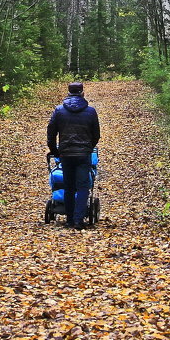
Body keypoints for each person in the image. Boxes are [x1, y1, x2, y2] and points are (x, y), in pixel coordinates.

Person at [46, 81, 100, 230]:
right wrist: (89, 147)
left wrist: (55, 150)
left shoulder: (59, 111)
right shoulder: (91, 111)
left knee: (69, 186)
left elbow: (51, 133)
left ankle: (69, 219)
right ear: (82, 93)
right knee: (83, 187)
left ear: (68, 93)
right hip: (83, 154)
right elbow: (96, 135)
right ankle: (78, 220)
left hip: (66, 154)